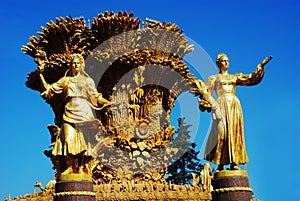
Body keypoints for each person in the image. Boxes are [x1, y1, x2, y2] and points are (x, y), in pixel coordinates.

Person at [38, 53, 111, 175]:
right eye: (74, 63)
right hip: (69, 111)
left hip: (84, 112)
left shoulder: (88, 81)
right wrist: (40, 74)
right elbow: (49, 89)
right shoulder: (65, 81)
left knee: (84, 141)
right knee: (68, 138)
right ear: (70, 66)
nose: (76, 65)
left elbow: (96, 97)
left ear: (82, 65)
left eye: (78, 63)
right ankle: (70, 166)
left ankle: (82, 165)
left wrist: (110, 103)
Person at [204, 53, 272, 170]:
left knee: (235, 133)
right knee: (222, 134)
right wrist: (208, 104)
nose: (226, 63)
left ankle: (233, 162)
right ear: (218, 63)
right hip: (221, 106)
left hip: (234, 106)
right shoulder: (214, 78)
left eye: (228, 61)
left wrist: (261, 66)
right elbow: (205, 93)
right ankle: (220, 163)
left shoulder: (234, 77)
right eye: (224, 61)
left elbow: (251, 79)